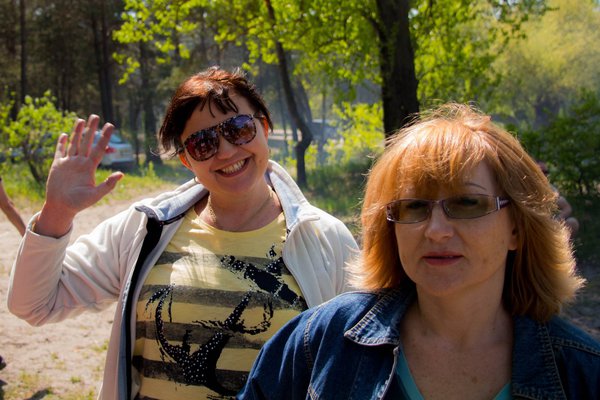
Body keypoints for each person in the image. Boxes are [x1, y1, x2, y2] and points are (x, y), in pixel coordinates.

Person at [7, 66, 358, 399]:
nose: (226, 150)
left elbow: (358, 361)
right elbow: (33, 304)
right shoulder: (145, 230)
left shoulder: (325, 240)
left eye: (239, 128)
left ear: (264, 127)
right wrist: (58, 211)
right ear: (187, 160)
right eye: (203, 143)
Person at [239, 103, 600, 399]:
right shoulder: (319, 341)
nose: (437, 230)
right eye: (413, 207)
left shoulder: (583, 373)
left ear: (517, 229)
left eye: (467, 203)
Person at [536, 160, 580, 237]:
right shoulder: (525, 188)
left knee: (572, 222)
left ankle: (559, 244)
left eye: (546, 172)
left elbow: (567, 207)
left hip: (548, 226)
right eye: (541, 171)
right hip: (533, 226)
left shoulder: (550, 189)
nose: (544, 174)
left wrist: (556, 220)